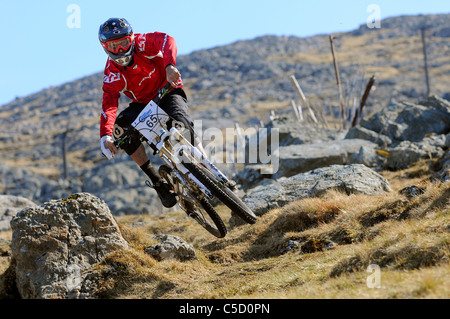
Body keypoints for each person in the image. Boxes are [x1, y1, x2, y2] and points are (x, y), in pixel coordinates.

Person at [98, 17, 194, 208]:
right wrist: (105, 135)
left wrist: (169, 65)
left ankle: (200, 161)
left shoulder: (142, 42)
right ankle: (158, 183)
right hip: (143, 104)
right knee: (120, 130)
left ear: (131, 38)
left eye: (124, 43)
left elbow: (167, 40)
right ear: (105, 47)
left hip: (168, 90)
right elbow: (109, 104)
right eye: (114, 46)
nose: (120, 50)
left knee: (181, 123)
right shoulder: (111, 74)